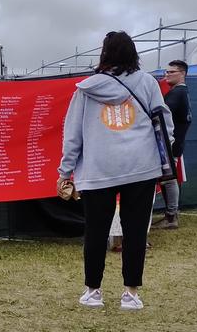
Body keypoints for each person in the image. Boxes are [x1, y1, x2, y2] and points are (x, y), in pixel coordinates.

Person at [58, 31, 174, 310]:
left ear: (105, 54)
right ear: (133, 53)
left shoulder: (86, 88)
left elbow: (72, 133)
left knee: (96, 231)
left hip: (98, 169)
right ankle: (131, 293)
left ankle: (92, 291)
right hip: (141, 168)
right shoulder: (147, 83)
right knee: (136, 232)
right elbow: (164, 121)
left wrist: (66, 170)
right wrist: (165, 149)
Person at [155, 60, 191, 229]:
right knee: (167, 179)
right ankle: (171, 215)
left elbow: (159, 115)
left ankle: (171, 216)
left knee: (168, 179)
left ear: (182, 73)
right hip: (174, 143)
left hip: (170, 144)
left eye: (171, 72)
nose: (166, 75)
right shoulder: (180, 92)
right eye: (166, 72)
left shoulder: (177, 94)